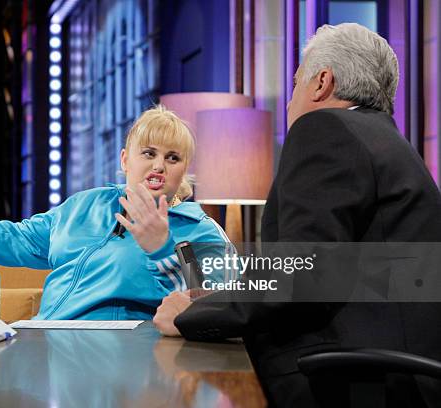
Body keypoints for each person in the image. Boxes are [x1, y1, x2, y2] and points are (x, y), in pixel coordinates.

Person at [153, 23, 441, 407]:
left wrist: (194, 314)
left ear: (321, 82)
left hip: (352, 381)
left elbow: (302, 273)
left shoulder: (327, 128)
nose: (289, 102)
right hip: (397, 374)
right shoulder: (384, 141)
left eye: (295, 84)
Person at [0, 106, 229, 320]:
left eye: (172, 158)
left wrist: (164, 248)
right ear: (125, 160)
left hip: (127, 349)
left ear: (185, 170)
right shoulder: (85, 206)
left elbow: (224, 298)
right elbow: (12, 238)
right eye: (149, 153)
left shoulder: (200, 229)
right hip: (48, 335)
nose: (158, 166)